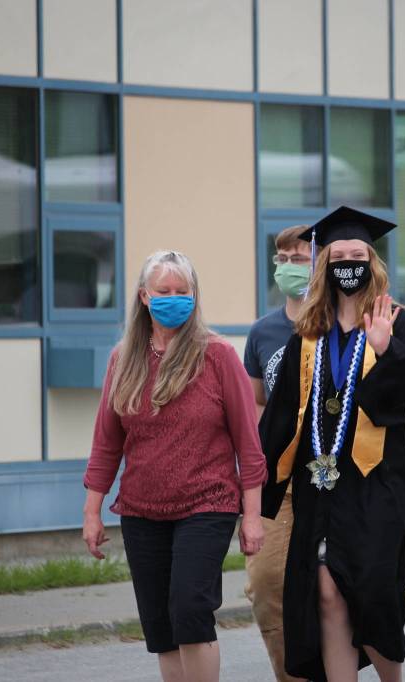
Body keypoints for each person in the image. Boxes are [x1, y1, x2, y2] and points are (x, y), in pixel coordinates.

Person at [260, 206, 405, 682]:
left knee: (375, 593)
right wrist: (254, 495)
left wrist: (385, 349)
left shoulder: (399, 323)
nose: (348, 263)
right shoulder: (308, 337)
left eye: (357, 254)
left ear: (372, 262)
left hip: (378, 483)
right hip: (321, 483)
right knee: (324, 591)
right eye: (337, 256)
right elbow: (279, 419)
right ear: (324, 265)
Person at [81, 250, 267, 682]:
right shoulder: (123, 358)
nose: (174, 299)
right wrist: (92, 511)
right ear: (144, 297)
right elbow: (107, 443)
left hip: (208, 502)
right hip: (142, 509)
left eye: (183, 292)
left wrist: (253, 517)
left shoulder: (217, 355)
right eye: (164, 291)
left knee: (190, 610)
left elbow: (248, 443)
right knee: (162, 626)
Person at [243, 225, 311, 682]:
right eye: (282, 258)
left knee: (331, 592)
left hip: (333, 479)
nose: (287, 266)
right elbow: (255, 406)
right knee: (267, 585)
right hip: (277, 483)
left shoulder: (343, 323)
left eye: (299, 258)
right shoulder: (263, 331)